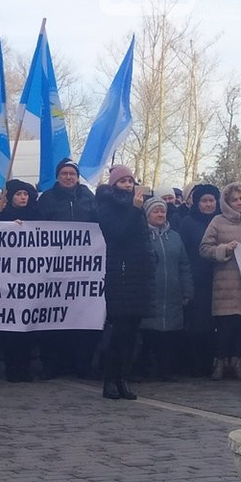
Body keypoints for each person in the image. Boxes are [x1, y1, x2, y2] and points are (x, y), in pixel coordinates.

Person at [37, 158, 100, 379]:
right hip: (53, 268)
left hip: (83, 269)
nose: (68, 177)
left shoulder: (88, 198)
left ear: (77, 177)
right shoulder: (47, 199)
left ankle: (80, 364)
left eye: (72, 174)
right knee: (53, 318)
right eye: (64, 173)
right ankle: (51, 364)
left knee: (81, 318)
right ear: (58, 176)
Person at [96, 166, 153, 399]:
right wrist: (135, 210)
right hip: (120, 274)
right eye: (123, 181)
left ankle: (123, 378)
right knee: (119, 331)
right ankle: (109, 379)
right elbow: (118, 234)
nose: (128, 185)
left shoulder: (136, 207)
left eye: (130, 180)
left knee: (132, 334)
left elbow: (142, 238)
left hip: (138, 275)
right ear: (114, 184)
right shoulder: (106, 206)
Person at [199, 183, 241, 380]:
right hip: (226, 285)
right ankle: (219, 363)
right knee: (225, 327)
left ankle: (239, 364)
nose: (239, 202)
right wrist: (224, 249)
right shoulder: (218, 221)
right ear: (227, 203)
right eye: (234, 200)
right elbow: (204, 248)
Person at [138, 197, 193, 380]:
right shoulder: (141, 236)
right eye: (156, 211)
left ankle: (166, 370)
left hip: (172, 295)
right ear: (147, 215)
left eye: (162, 211)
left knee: (170, 336)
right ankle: (146, 369)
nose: (160, 214)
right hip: (150, 293)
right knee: (148, 334)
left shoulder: (175, 237)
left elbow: (184, 265)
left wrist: (187, 290)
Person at [0, 180, 40, 381]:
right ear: (10, 197)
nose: (23, 197)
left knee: (28, 324)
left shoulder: (37, 217)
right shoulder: (1, 218)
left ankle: (25, 366)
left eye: (26, 194)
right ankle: (11, 366)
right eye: (19, 194)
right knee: (10, 324)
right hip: (8, 279)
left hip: (31, 279)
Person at [177, 184, 220, 376]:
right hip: (196, 278)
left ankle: (212, 361)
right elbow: (183, 252)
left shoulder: (222, 221)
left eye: (212, 200)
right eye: (204, 201)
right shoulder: (188, 222)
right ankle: (194, 363)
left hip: (219, 279)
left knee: (215, 324)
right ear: (197, 203)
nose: (208, 204)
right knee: (197, 324)